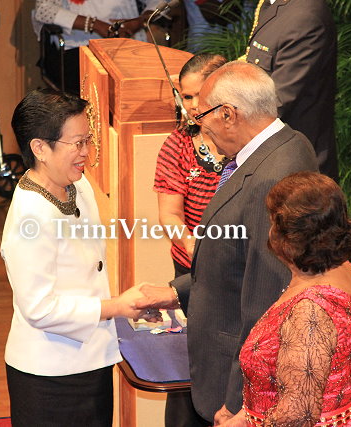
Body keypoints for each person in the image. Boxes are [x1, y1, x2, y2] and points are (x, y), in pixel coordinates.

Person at [135, 61, 318, 424]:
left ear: (228, 114)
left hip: (236, 383)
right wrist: (176, 293)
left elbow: (265, 300)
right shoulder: (292, 143)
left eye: (202, 116)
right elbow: (237, 262)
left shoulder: (268, 179)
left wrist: (239, 401)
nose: (199, 126)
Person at [2, 89, 152, 426]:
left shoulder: (77, 185)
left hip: (92, 360)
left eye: (87, 140)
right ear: (39, 148)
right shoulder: (30, 219)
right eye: (77, 143)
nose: (86, 152)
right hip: (49, 376)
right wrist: (117, 307)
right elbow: (39, 308)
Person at [220, 171, 351, 426]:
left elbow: (297, 416)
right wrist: (243, 418)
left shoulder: (310, 311)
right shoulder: (343, 270)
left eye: (272, 222)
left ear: (288, 237)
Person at [153, 52, 226, 427]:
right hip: (191, 271)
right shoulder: (177, 145)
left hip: (240, 272)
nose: (192, 106)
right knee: (190, 370)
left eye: (199, 95)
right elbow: (169, 215)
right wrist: (195, 248)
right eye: (186, 96)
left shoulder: (246, 143)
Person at [238, 0, 338, 180]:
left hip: (296, 169)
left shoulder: (304, 17)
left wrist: (223, 121)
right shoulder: (271, 5)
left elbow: (276, 102)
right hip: (270, 158)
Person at [33, 0, 161, 94]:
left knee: (150, 86)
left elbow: (162, 3)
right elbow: (43, 10)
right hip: (80, 46)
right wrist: (94, 25)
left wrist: (140, 21)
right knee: (105, 86)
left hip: (130, 42)